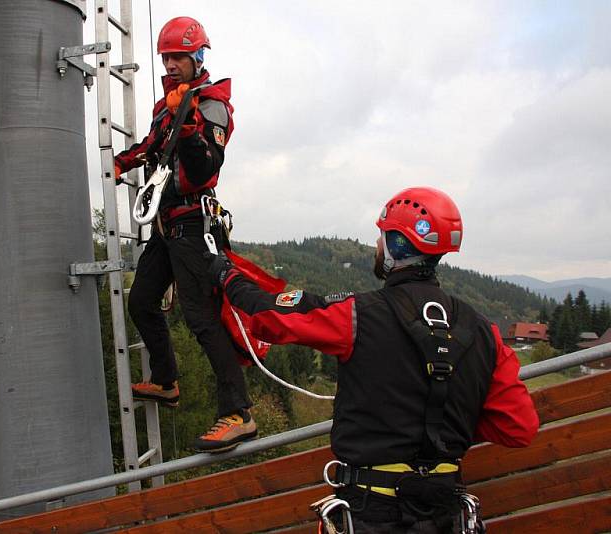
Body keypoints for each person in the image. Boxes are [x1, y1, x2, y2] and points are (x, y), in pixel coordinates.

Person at [208, 187, 539, 531]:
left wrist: (227, 277)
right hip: (446, 513)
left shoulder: (357, 316)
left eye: (382, 237)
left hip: (373, 512)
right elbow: (518, 427)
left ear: (397, 245)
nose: (378, 246)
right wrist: (449, 423)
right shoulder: (484, 331)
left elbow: (271, 320)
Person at [114, 16, 256, 453]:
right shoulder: (168, 105)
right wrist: (123, 161)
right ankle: (166, 380)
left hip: (193, 222)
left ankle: (239, 413)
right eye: (166, 57)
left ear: (197, 57)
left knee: (200, 316)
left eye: (178, 56)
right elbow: (152, 145)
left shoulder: (210, 104)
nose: (171, 64)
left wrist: (191, 132)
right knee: (140, 300)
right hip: (165, 222)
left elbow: (205, 169)